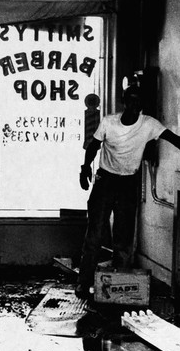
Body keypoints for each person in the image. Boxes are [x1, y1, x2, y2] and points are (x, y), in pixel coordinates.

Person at [75, 83, 180, 299]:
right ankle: (83, 283)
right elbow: (94, 145)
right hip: (105, 182)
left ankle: (117, 287)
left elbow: (173, 139)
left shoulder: (149, 124)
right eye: (130, 100)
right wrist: (85, 168)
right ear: (124, 101)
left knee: (124, 238)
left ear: (142, 103)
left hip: (128, 184)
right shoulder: (109, 122)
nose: (134, 104)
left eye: (138, 100)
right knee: (94, 235)